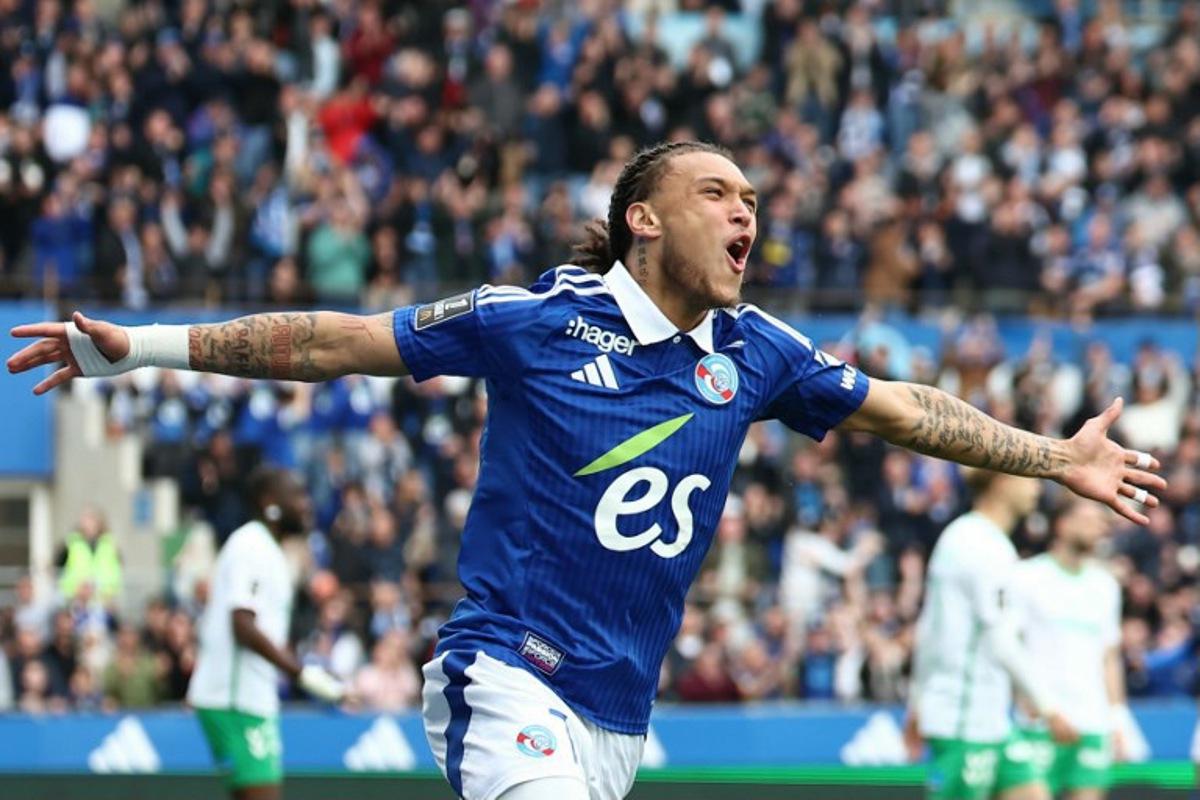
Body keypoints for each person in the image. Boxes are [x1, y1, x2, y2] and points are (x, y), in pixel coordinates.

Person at [8, 140, 1165, 800]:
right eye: (718, 192)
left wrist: (1054, 454)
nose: (745, 210)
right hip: (505, 670)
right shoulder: (531, 320)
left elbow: (903, 407)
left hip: (619, 712)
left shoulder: (756, 352)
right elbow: (332, 341)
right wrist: (142, 350)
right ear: (641, 221)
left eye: (753, 200)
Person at [906, 470, 1071, 800]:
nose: (1038, 488)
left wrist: (917, 701)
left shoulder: (967, 536)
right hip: (963, 722)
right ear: (1001, 480)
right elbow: (1002, 641)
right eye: (1030, 478)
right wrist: (1048, 706)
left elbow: (929, 629)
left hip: (991, 720)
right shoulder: (981, 547)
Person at [183, 467, 346, 800]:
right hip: (235, 699)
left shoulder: (269, 550)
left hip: (251, 697)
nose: (306, 504)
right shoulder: (251, 544)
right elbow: (242, 624)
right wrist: (304, 675)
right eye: (297, 495)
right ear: (270, 501)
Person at [1010, 496, 1125, 800]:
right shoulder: (1027, 577)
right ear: (1061, 524)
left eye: (1102, 522)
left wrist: (1117, 718)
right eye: (1089, 519)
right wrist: (1022, 695)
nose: (1099, 527)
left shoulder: (1105, 586)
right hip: (1041, 720)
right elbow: (1009, 644)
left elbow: (1109, 657)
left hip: (1093, 721)